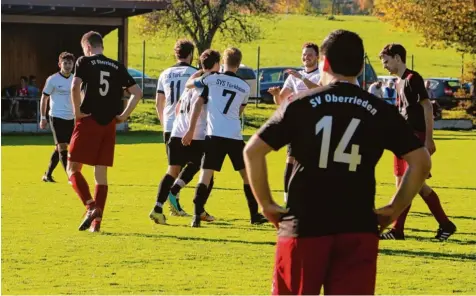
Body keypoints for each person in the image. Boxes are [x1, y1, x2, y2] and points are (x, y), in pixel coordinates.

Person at [244, 29, 431, 295]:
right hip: (358, 227)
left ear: (324, 62)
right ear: (359, 66)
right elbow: (421, 161)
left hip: (304, 225)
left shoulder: (300, 103)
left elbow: (253, 151)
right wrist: (393, 209)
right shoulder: (379, 109)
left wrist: (267, 205)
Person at [379, 43, 456, 241]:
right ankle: (401, 230)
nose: (384, 66)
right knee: (406, 186)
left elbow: (427, 108)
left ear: (397, 57)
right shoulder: (398, 82)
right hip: (402, 139)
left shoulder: (414, 79)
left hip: (416, 138)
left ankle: (403, 230)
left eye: (386, 61)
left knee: (413, 186)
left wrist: (429, 138)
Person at [67, 31, 143, 232]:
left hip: (89, 119)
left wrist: (77, 112)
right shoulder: (117, 66)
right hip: (109, 123)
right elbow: (137, 93)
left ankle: (91, 207)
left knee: (72, 168)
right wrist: (124, 116)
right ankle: (96, 224)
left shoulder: (84, 61)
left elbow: (75, 86)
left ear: (88, 47)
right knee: (101, 173)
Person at [184, 47, 267, 227]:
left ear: (223, 62)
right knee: (246, 176)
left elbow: (190, 85)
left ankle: (196, 216)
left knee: (205, 175)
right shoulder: (245, 86)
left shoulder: (213, 79)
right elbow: (240, 110)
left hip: (214, 135)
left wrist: (201, 79)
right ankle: (254, 215)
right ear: (238, 63)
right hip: (234, 135)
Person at [149, 49, 221, 224]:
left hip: (176, 131)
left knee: (172, 170)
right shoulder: (208, 83)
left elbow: (178, 105)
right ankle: (200, 210)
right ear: (217, 64)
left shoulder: (191, 83)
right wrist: (190, 130)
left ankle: (157, 208)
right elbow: (198, 104)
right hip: (195, 134)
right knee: (207, 173)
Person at [267, 43, 321, 202]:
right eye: (304, 54)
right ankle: (287, 199)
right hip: (298, 125)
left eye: (310, 54)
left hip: (317, 125)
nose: (306, 57)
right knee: (290, 161)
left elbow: (321, 90)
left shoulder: (320, 75)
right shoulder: (293, 76)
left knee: (314, 163)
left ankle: (314, 198)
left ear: (317, 56)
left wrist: (302, 78)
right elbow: (281, 101)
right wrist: (276, 94)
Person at [155, 39, 199, 214]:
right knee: (197, 164)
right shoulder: (196, 74)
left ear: (176, 54)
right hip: (188, 126)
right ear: (190, 55)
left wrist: (164, 124)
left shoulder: (165, 74)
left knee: (174, 167)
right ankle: (173, 198)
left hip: (169, 125)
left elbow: (159, 103)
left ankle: (170, 204)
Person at [39, 52, 76, 182]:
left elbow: (80, 97)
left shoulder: (75, 79)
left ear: (73, 65)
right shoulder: (53, 79)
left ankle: (47, 175)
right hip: (56, 116)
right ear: (60, 64)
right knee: (62, 147)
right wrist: (43, 117)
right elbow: (44, 97)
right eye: (65, 63)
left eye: (70, 63)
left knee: (60, 148)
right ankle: (71, 177)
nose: (67, 66)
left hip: (71, 117)